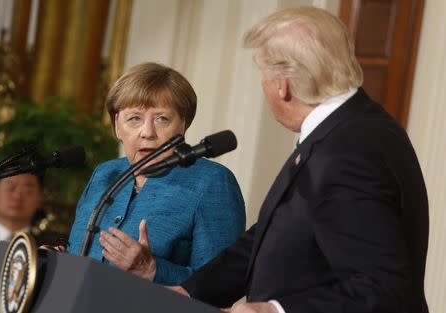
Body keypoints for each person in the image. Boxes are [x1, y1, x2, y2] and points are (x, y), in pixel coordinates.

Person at [169, 6, 429, 313]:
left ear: (283, 85)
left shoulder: (347, 152)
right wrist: (190, 292)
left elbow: (382, 291)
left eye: (263, 76)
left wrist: (277, 310)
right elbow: (270, 237)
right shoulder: (352, 127)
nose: (263, 86)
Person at [66, 62, 246, 285]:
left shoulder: (211, 182)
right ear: (116, 126)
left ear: (183, 125)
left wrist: (151, 270)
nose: (147, 132)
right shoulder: (105, 173)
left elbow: (225, 282)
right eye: (134, 118)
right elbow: (78, 252)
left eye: (162, 118)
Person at [0, 172, 47, 246]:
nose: (17, 196)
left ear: (40, 198)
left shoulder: (50, 250)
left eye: (28, 191)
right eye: (11, 188)